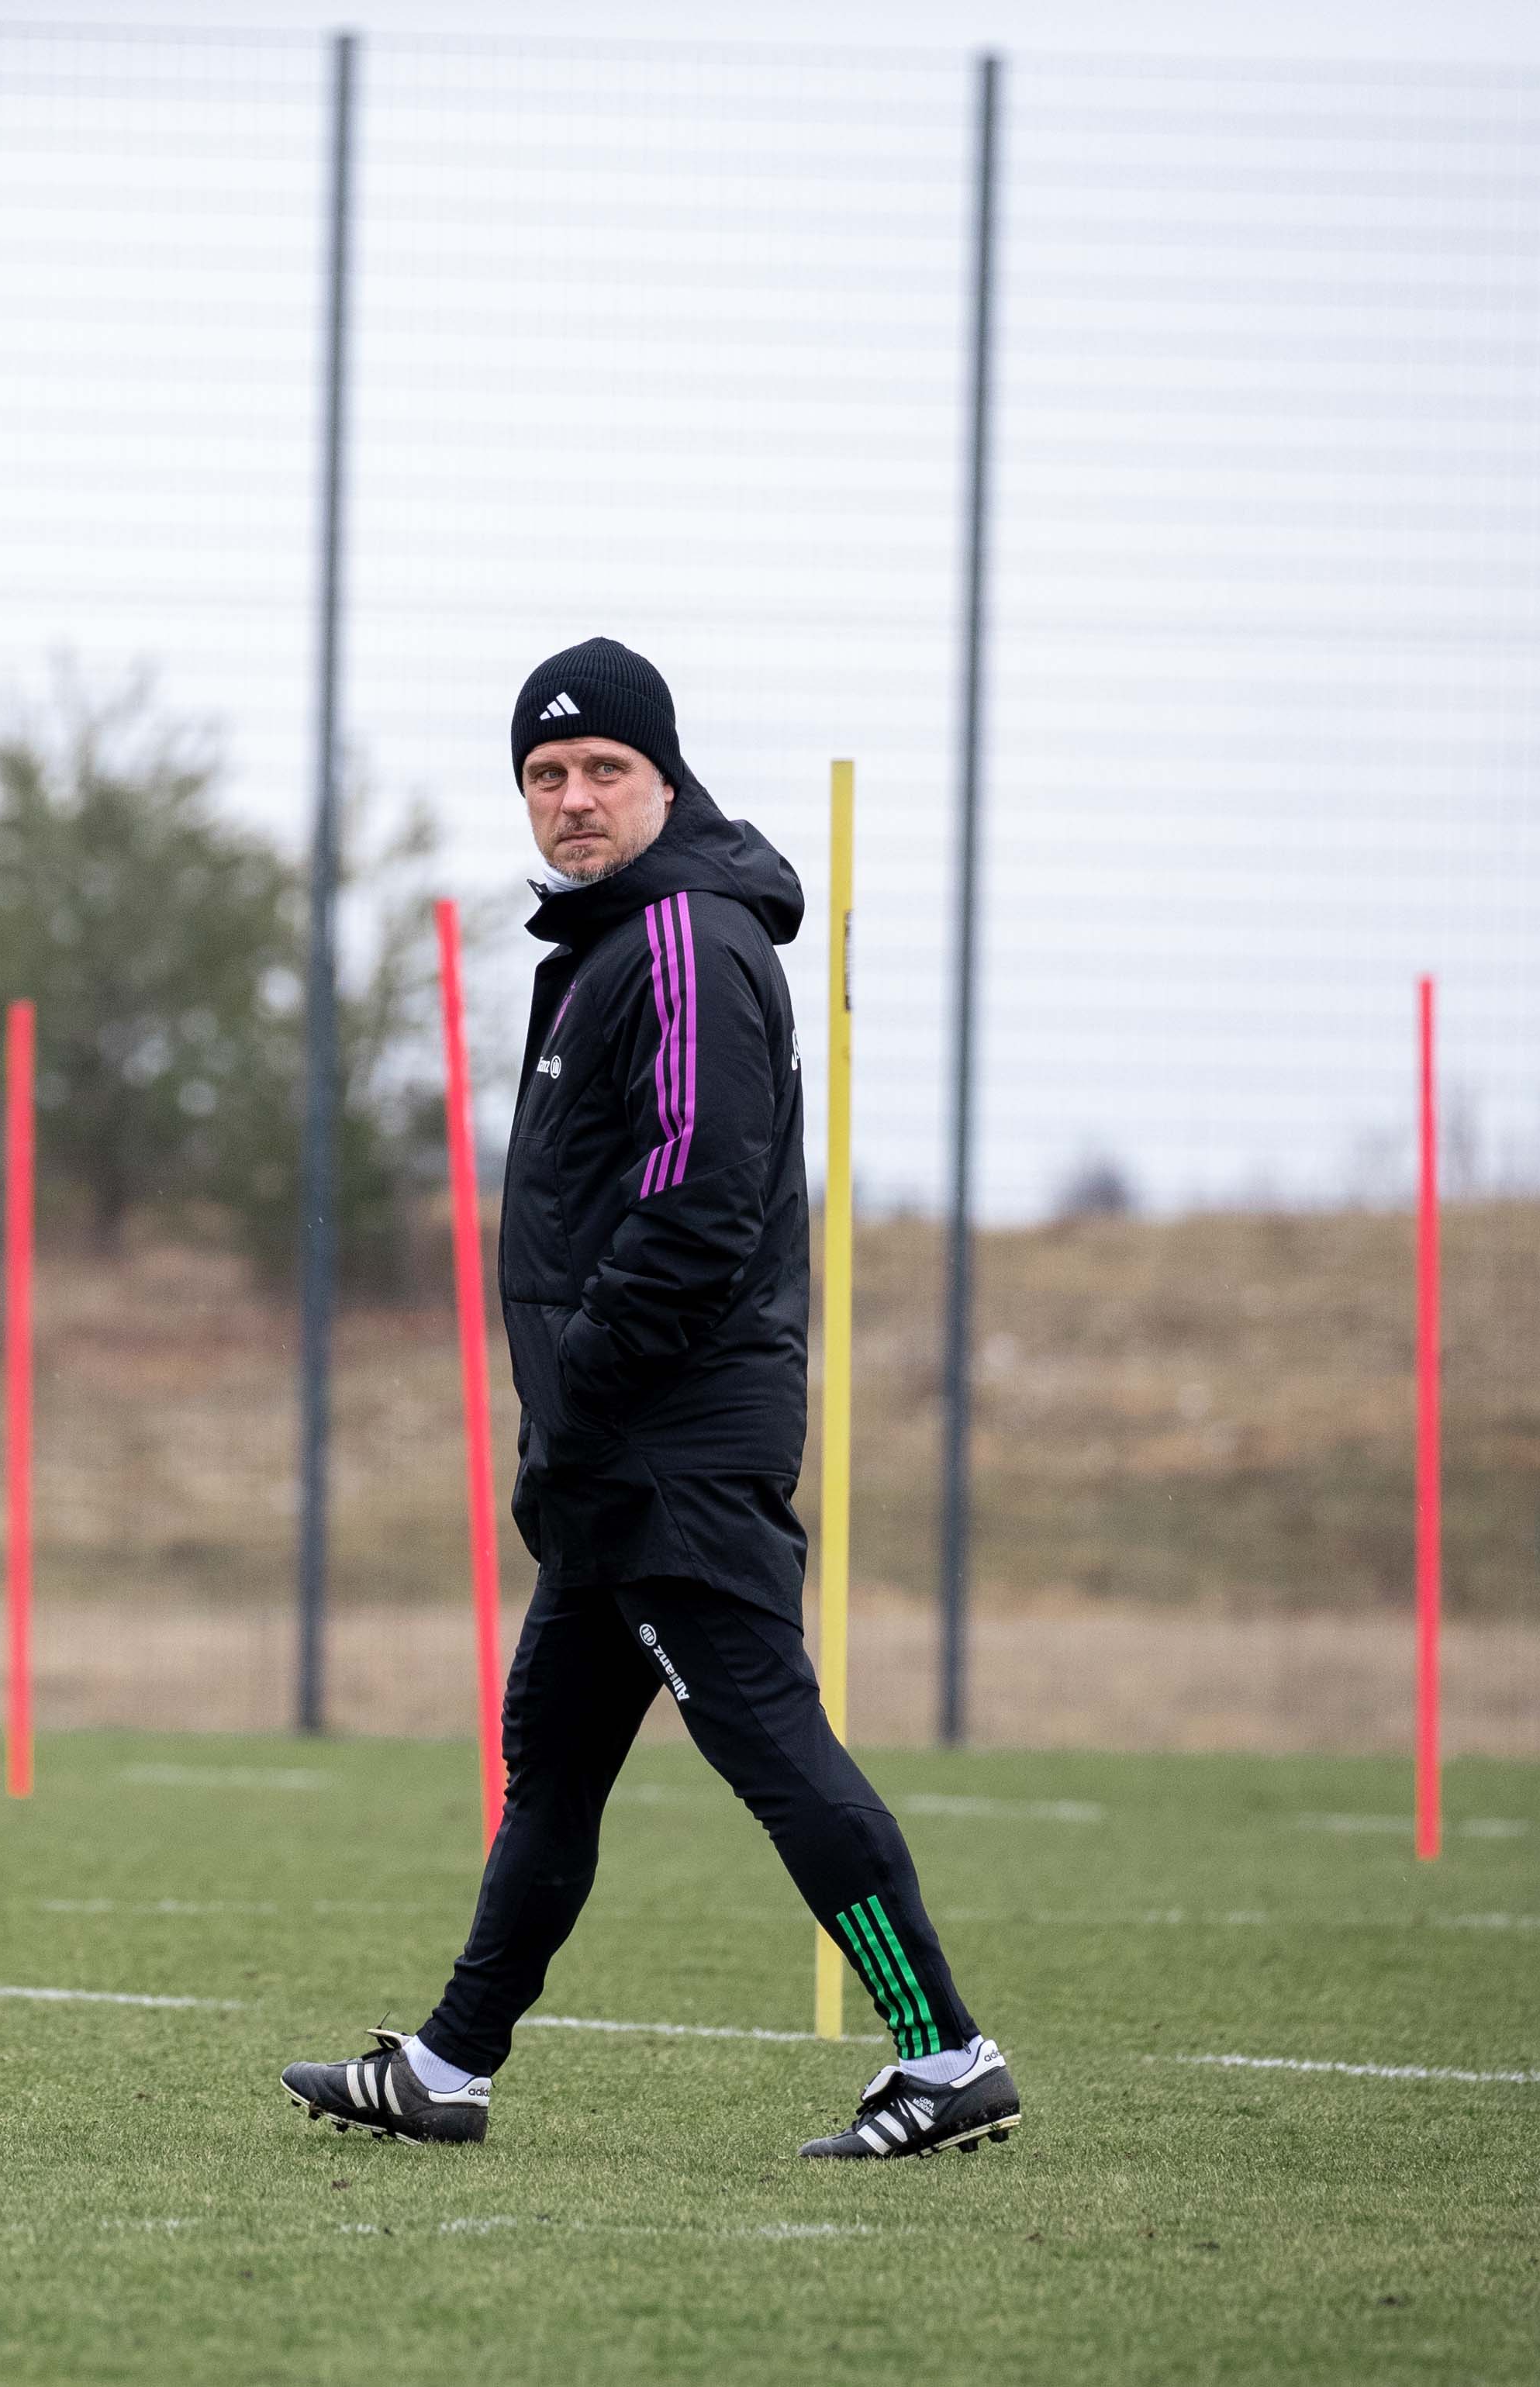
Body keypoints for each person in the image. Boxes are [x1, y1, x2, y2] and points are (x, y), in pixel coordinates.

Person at [281, 637, 1021, 2162]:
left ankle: (943, 2053)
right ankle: (450, 2064)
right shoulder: (615, 946)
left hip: (670, 1449)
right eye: (544, 778)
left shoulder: (685, 935)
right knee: (550, 1749)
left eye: (602, 771)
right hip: (617, 1454)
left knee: (768, 1741)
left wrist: (591, 1404)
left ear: (662, 780)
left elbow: (695, 1201)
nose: (571, 800)